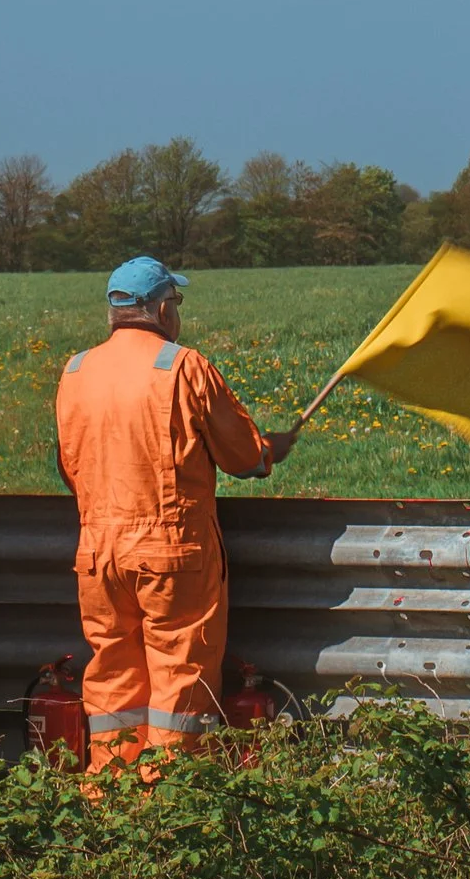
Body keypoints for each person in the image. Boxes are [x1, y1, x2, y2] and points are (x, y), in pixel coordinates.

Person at [53, 256, 298, 770]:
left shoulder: (75, 371)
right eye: (177, 303)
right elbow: (242, 458)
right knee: (178, 685)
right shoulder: (182, 366)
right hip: (171, 557)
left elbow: (69, 466)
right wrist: (270, 449)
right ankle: (167, 809)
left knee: (112, 680)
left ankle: (109, 801)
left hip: (97, 557)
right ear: (163, 310)